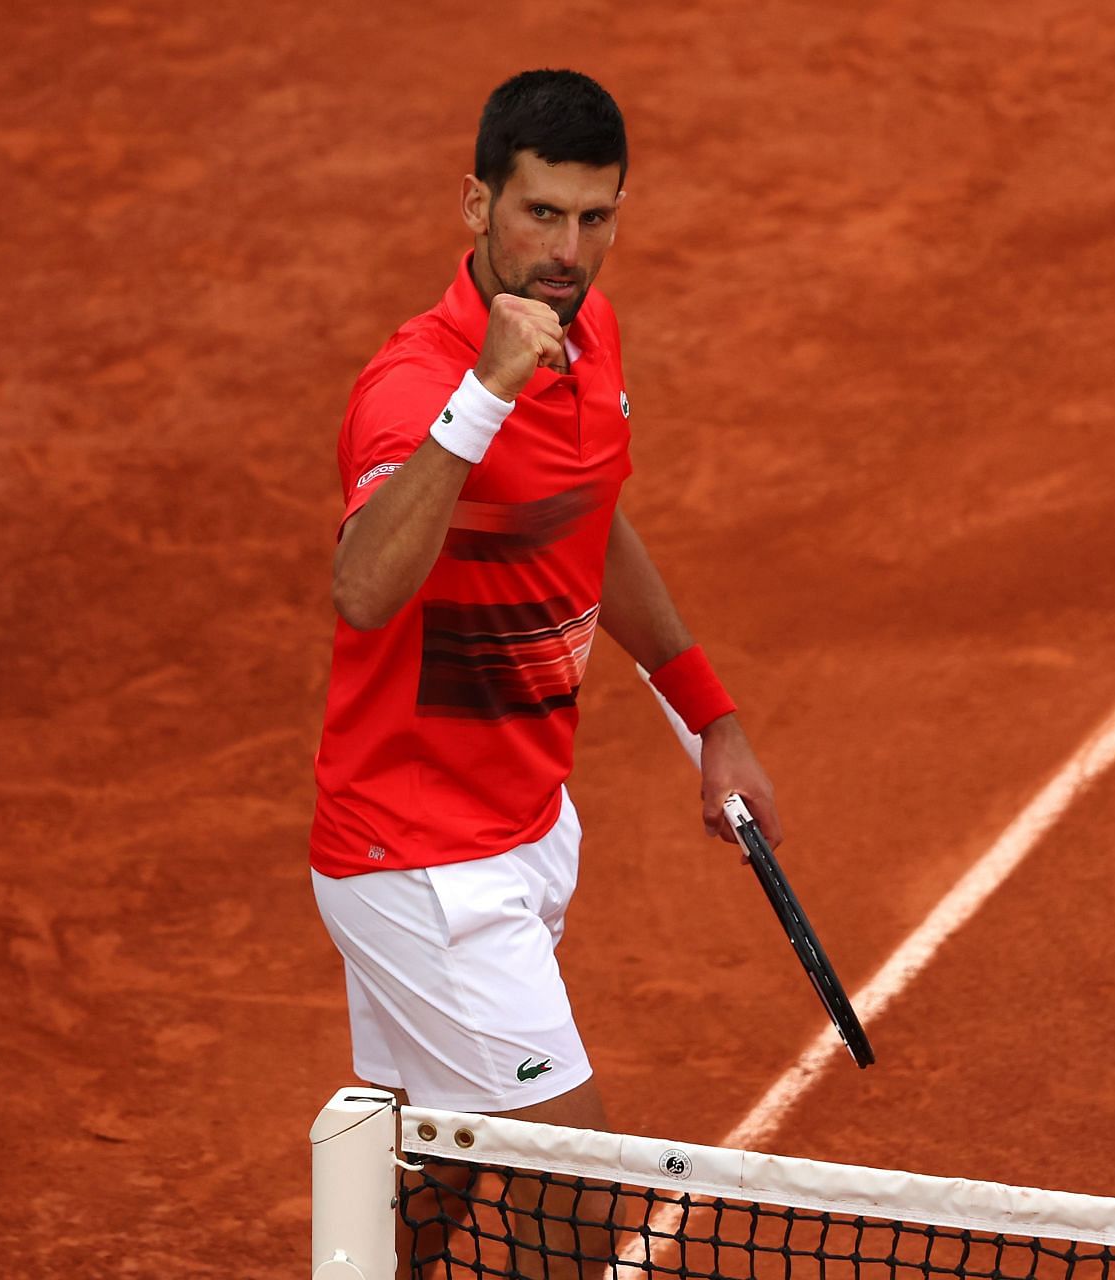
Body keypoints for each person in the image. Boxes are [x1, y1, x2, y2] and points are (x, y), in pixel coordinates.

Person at [309, 68, 783, 1149]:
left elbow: (584, 519)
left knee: (422, 1179)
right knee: (573, 1191)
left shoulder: (591, 331)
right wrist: (484, 392)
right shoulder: (411, 387)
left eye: (595, 217)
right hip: (419, 857)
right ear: (477, 206)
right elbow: (363, 587)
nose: (567, 250)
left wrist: (712, 718)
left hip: (524, 824)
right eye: (541, 214)